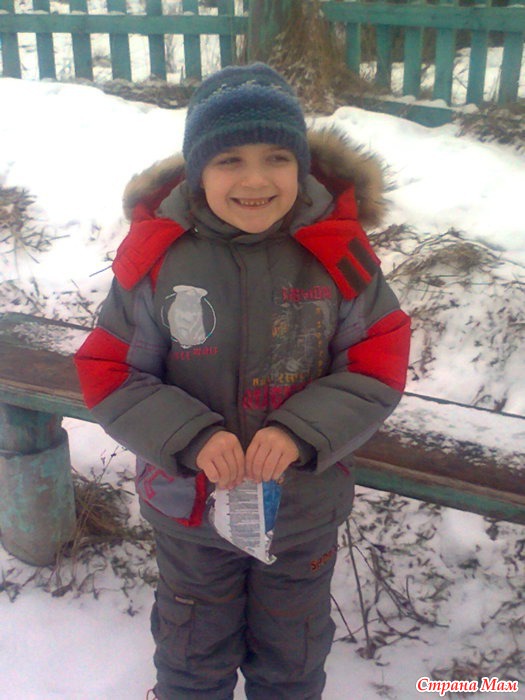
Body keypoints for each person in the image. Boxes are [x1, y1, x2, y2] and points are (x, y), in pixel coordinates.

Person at [74, 63, 411, 700]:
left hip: (302, 511)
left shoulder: (337, 252)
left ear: (301, 165)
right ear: (198, 170)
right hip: (190, 511)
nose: (255, 180)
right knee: (192, 650)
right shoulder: (158, 256)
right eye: (229, 160)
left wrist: (301, 431)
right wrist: (190, 436)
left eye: (277, 158)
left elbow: (378, 360)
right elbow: (111, 370)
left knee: (293, 653)